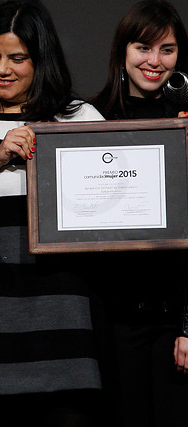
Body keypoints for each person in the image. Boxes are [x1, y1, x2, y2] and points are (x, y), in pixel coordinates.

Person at [0, 0, 105, 425]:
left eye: (18, 58)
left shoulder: (78, 117)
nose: (3, 69)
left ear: (41, 60)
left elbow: (112, 199)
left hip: (66, 302)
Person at [91, 1, 188, 425]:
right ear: (123, 51)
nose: (154, 61)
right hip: (111, 313)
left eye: (166, 49)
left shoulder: (185, 121)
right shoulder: (88, 119)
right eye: (142, 47)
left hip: (174, 311)